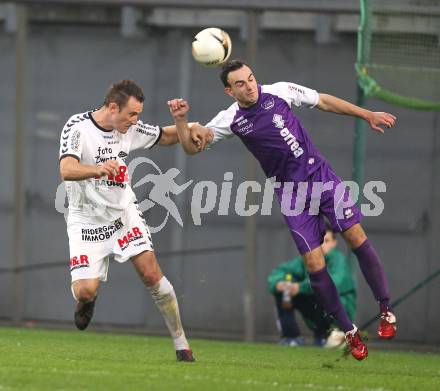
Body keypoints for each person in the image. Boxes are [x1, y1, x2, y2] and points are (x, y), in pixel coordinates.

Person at [167, 59, 397, 361]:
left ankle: (385, 309)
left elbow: (324, 101)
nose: (249, 86)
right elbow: (191, 147)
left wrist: (366, 114)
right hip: (290, 195)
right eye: (240, 83)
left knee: (356, 238)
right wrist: (182, 121)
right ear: (229, 91)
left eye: (250, 78)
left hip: (321, 178)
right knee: (315, 265)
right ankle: (349, 332)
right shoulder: (230, 118)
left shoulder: (280, 91)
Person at [59, 79, 209, 362]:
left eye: (138, 114)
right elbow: (66, 169)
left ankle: (182, 344)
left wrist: (187, 125)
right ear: (113, 107)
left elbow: (165, 136)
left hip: (123, 213)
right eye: (132, 114)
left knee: (152, 274)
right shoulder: (77, 127)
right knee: (85, 289)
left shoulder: (127, 129)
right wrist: (99, 169)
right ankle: (87, 300)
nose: (136, 120)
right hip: (86, 219)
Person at [268, 228, 356, 348]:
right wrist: (280, 283)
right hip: (316, 310)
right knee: (285, 292)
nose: (321, 245)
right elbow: (280, 272)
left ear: (334, 243)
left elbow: (331, 283)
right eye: (318, 241)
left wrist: (300, 287)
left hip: (338, 315)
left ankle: (323, 338)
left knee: (322, 292)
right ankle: (291, 338)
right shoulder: (308, 259)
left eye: (326, 240)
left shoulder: (338, 259)